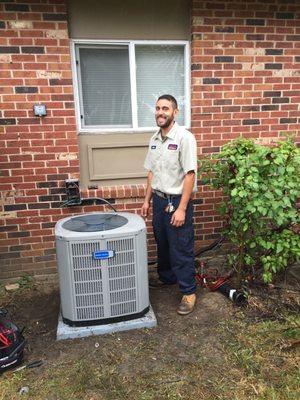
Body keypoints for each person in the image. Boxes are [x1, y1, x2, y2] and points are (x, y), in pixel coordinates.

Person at [141, 94, 197, 315]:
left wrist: (182, 208)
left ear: (175, 112)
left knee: (181, 247)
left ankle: (189, 292)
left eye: (165, 108)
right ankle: (167, 278)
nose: (160, 112)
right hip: (158, 200)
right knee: (162, 243)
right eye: (157, 108)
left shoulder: (184, 138)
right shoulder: (154, 139)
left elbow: (190, 175)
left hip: (176, 202)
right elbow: (151, 172)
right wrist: (146, 200)